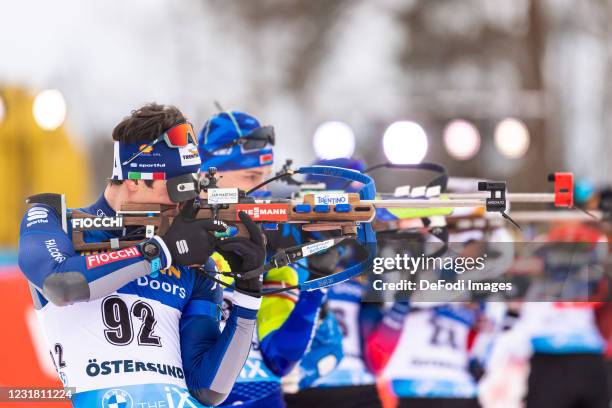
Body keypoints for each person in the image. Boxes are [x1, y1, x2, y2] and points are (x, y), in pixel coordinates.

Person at [18, 104, 266, 407]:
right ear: (135, 180)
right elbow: (61, 284)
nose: (185, 203)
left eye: (194, 189)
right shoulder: (54, 219)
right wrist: (161, 251)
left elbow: (209, 388)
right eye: (177, 189)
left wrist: (248, 294)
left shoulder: (191, 261)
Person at [198, 110, 325, 407]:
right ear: (208, 174)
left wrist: (318, 283)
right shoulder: (179, 241)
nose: (263, 189)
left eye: (265, 178)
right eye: (251, 177)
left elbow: (280, 357)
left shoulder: (271, 242)